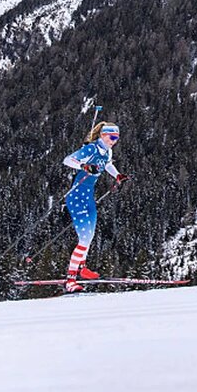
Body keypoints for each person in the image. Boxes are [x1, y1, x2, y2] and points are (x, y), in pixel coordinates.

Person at [61, 121, 129, 292]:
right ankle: (70, 280)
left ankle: (82, 268)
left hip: (88, 197)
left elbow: (107, 164)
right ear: (103, 135)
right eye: (112, 137)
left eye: (117, 138)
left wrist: (117, 175)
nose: (114, 141)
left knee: (89, 236)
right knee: (84, 238)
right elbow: (67, 160)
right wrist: (83, 165)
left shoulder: (107, 151)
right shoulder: (91, 149)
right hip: (76, 197)